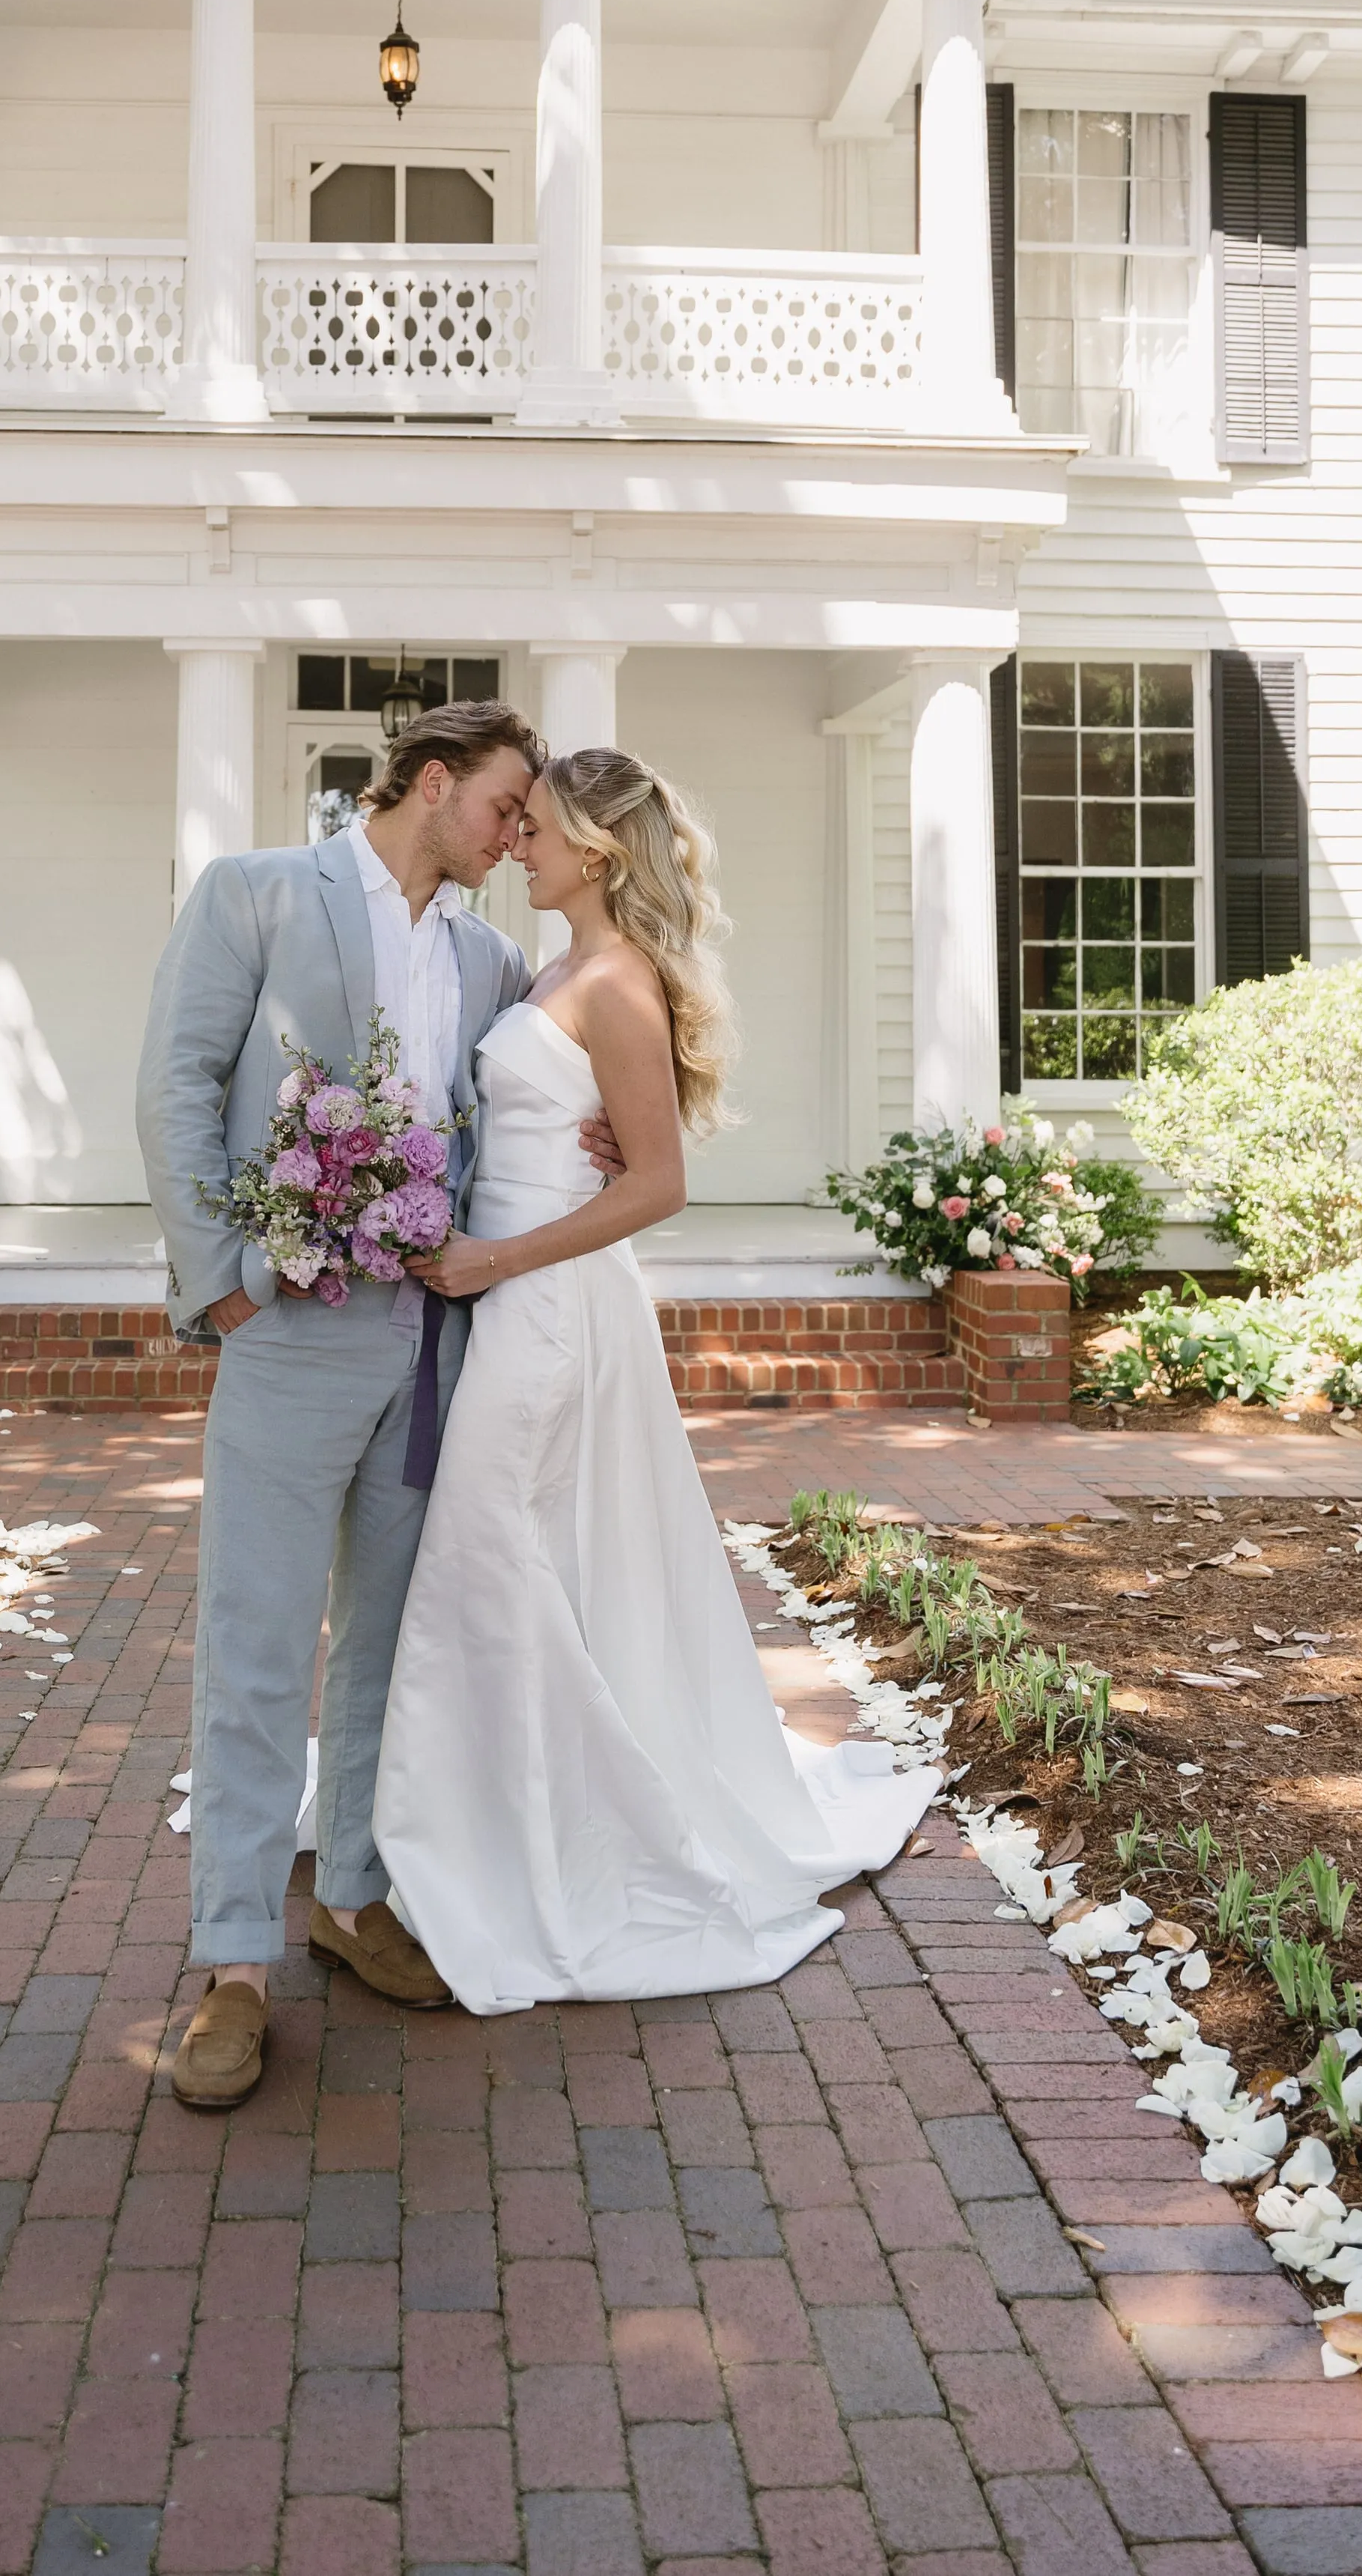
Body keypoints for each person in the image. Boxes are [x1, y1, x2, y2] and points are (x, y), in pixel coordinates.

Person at [373, 747, 937, 2013]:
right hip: (507, 1288)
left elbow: (659, 1183)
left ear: (600, 851)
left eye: (540, 830)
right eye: (514, 826)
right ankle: (492, 1806)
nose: (518, 842)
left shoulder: (616, 980)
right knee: (531, 1552)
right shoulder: (550, 968)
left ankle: (509, 1833)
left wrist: (498, 1255)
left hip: (548, 1304)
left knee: (489, 1541)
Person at [136, 700, 619, 2107]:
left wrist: (592, 1130)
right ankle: (233, 1963)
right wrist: (217, 1280)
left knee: (387, 1647)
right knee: (258, 1642)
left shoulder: (493, 957)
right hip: (286, 1334)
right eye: (507, 806)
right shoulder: (258, 892)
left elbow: (550, 1085)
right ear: (431, 781)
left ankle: (349, 1895)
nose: (519, 833)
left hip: (431, 1348)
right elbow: (174, 1080)